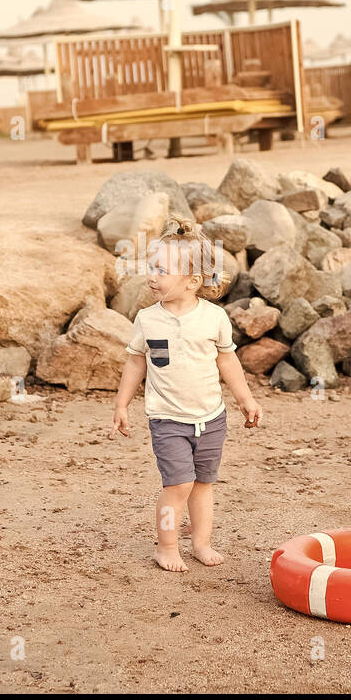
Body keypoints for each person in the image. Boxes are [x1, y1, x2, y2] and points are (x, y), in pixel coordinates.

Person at [109, 219, 262, 572]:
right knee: (178, 484)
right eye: (151, 267)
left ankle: (201, 543)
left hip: (211, 418)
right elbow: (135, 363)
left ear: (193, 281)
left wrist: (245, 398)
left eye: (162, 270)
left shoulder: (215, 318)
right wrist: (121, 404)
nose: (152, 276)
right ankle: (166, 546)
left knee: (203, 484)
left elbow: (228, 360)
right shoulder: (148, 319)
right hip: (167, 419)